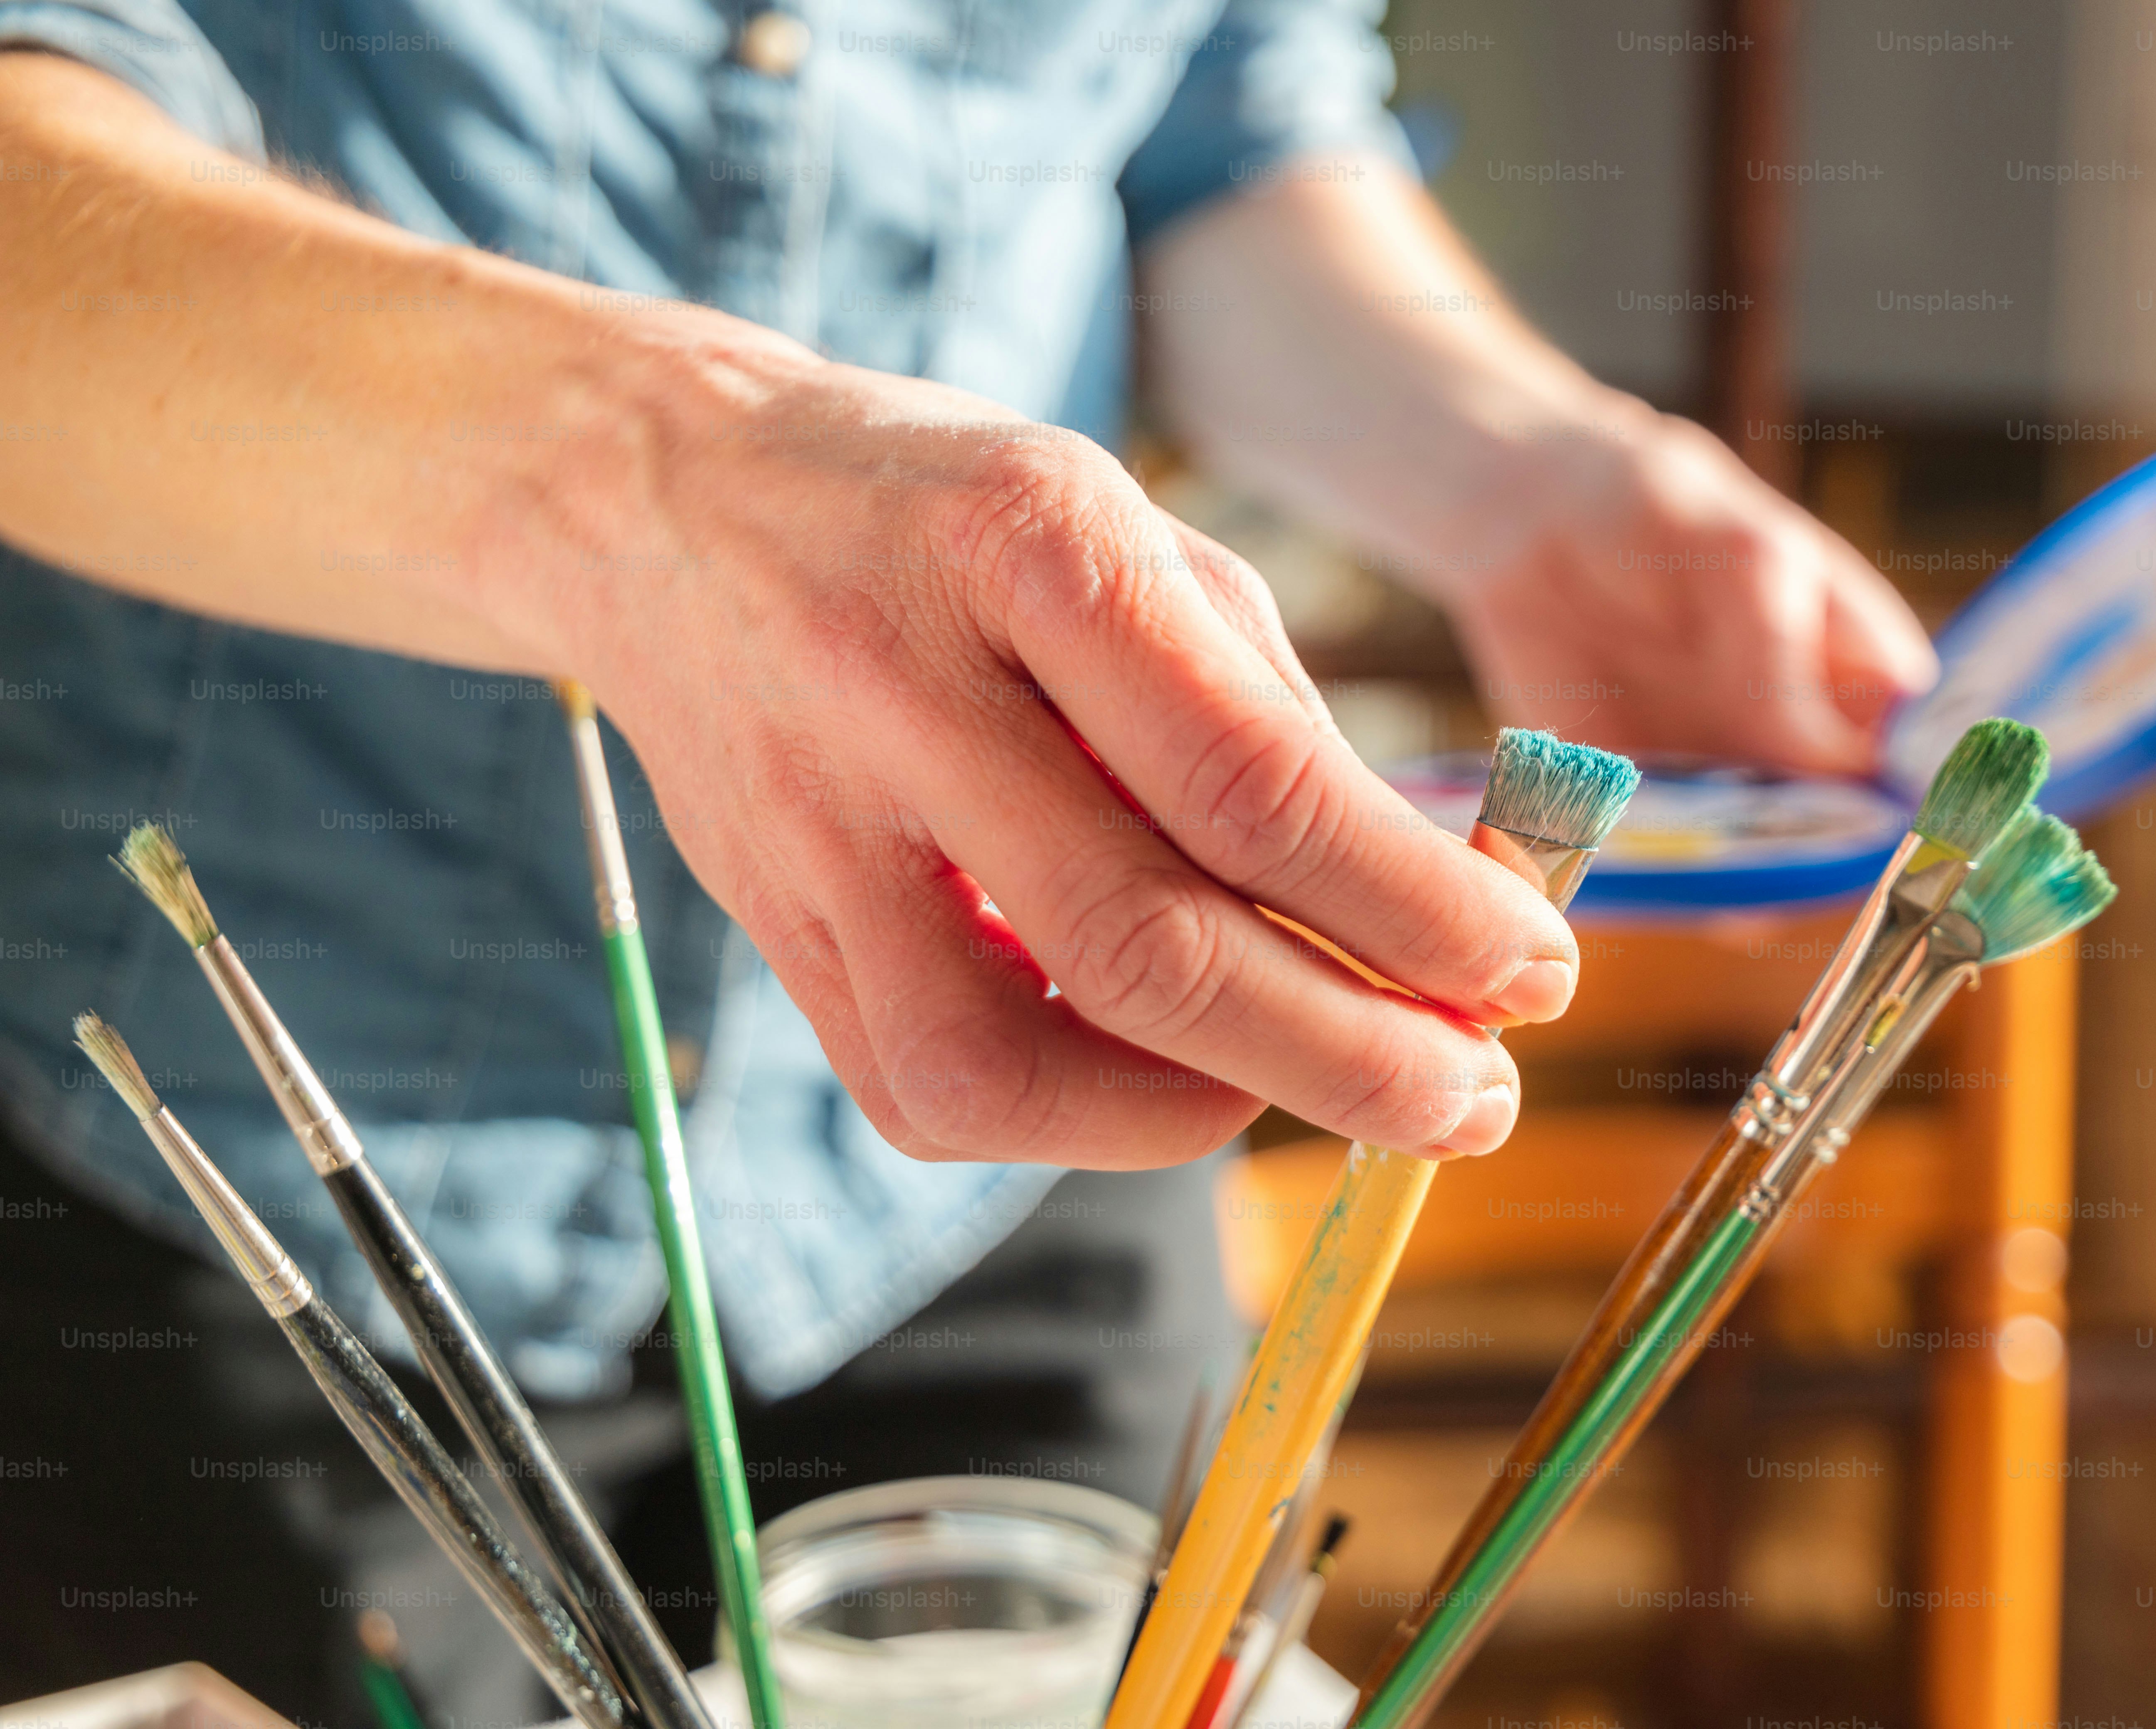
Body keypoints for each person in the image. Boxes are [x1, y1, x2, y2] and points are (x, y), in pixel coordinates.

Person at [0, 2, 1934, 1721]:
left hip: (1012, 1122)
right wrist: (657, 481)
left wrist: (1526, 477)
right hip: (245, 1157)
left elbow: (1210, 127)